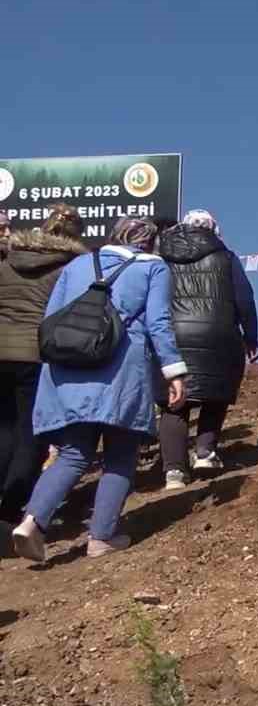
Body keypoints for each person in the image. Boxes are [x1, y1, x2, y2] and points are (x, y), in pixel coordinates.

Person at [9, 218, 187, 562]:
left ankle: (32, 522)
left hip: (70, 366)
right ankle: (101, 537)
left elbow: (51, 316)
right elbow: (159, 322)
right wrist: (173, 371)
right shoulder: (153, 268)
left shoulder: (77, 264)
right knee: (121, 455)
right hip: (121, 370)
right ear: (149, 242)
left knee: (74, 453)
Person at [156, 209, 258, 490]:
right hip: (218, 332)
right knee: (216, 394)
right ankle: (205, 453)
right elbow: (245, 299)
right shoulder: (226, 257)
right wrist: (251, 337)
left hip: (172, 334)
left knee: (173, 404)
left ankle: (174, 472)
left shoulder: (160, 257)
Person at [0, 205, 87, 528]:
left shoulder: (7, 258)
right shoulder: (71, 267)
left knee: (3, 427)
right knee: (30, 431)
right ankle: (11, 504)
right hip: (35, 355)